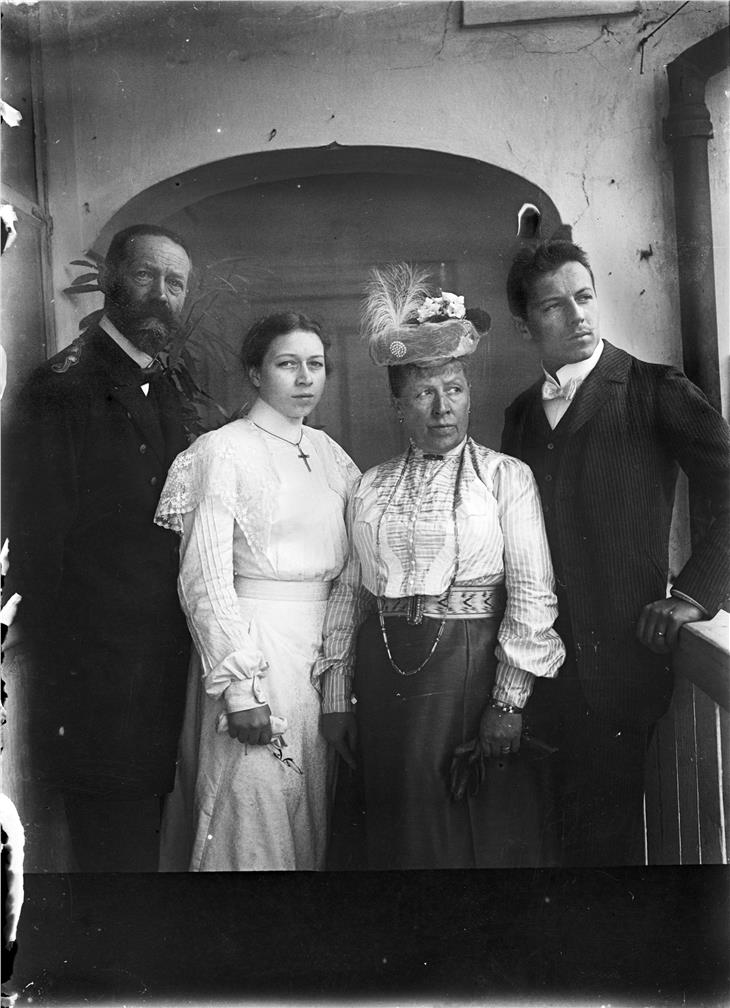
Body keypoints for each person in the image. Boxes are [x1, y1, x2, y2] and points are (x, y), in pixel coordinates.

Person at [318, 265, 565, 870]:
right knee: (393, 828)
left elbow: (533, 594)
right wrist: (336, 695)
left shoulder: (504, 477)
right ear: (398, 404)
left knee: (463, 828)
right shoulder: (369, 486)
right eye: (423, 394)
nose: (441, 407)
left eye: (453, 389)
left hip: (469, 667)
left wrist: (507, 702)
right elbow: (350, 591)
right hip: (383, 669)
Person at [501, 238, 730, 866]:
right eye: (554, 306)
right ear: (525, 325)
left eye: (584, 296)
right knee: (551, 847)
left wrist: (694, 593)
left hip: (623, 674)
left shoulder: (654, 388)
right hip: (541, 676)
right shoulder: (519, 415)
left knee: (606, 851)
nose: (577, 315)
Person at [6, 223, 194, 871]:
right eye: (146, 275)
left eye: (176, 283)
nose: (162, 293)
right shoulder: (62, 387)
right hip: (98, 682)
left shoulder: (164, 382)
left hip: (157, 667)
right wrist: (81, 672)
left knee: (144, 846)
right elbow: (39, 546)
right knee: (113, 854)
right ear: (111, 279)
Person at [155, 311, 360, 871]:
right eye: (287, 364)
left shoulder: (330, 454)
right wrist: (240, 691)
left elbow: (354, 565)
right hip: (254, 648)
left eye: (316, 364)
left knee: (306, 811)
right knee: (250, 808)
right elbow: (204, 577)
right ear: (254, 373)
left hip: (317, 657)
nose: (305, 378)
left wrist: (338, 672)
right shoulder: (223, 450)